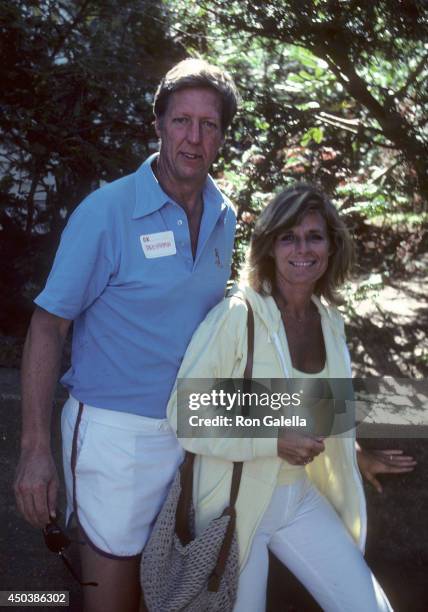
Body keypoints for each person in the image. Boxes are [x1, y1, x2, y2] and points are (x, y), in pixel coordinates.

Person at [13, 58, 239, 612]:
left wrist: (330, 427)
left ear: (222, 137)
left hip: (189, 433)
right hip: (115, 438)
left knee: (158, 594)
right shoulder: (107, 213)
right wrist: (34, 450)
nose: (193, 136)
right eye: (182, 120)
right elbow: (47, 327)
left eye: (208, 124)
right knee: (109, 600)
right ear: (158, 126)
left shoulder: (224, 214)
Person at [167, 184, 402, 611]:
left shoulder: (329, 320)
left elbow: (318, 405)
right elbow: (185, 411)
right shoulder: (237, 316)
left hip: (297, 498)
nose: (302, 248)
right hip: (234, 509)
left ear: (331, 246)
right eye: (288, 237)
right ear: (269, 247)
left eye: (314, 236)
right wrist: (274, 440)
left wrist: (355, 454)